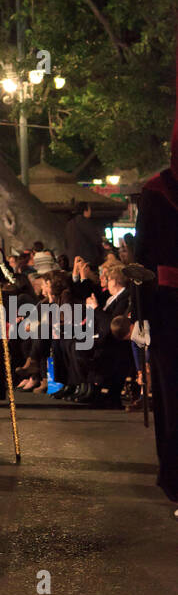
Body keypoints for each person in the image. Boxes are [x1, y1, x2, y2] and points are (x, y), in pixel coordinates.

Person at [133, 40, 178, 514]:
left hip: (165, 310)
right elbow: (144, 263)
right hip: (171, 313)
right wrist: (143, 315)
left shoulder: (152, 193)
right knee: (174, 397)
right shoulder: (156, 193)